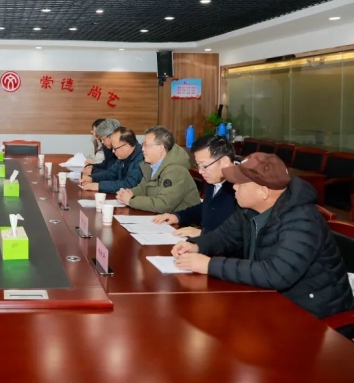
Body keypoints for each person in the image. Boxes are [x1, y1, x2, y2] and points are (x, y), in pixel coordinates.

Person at [172, 152, 354, 319]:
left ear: (263, 192)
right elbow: (225, 235)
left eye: (240, 183)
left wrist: (210, 265)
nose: (234, 187)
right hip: (272, 301)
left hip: (315, 315)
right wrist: (197, 245)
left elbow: (276, 273)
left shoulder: (302, 220)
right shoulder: (249, 208)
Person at [152, 134, 238, 237]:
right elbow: (206, 208)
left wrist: (202, 234)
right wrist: (178, 217)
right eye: (198, 166)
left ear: (224, 161)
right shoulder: (214, 179)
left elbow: (241, 234)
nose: (201, 171)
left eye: (204, 166)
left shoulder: (241, 188)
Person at [117, 126, 200, 213]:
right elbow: (143, 188)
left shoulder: (176, 170)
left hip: (181, 220)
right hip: (160, 217)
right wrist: (129, 193)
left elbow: (163, 204)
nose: (142, 149)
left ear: (160, 148)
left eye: (146, 145)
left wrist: (131, 201)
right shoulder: (151, 165)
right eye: (143, 145)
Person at [81, 126, 143, 193]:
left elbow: (129, 184)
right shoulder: (123, 156)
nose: (113, 151)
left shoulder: (141, 159)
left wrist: (99, 186)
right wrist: (91, 178)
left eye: (115, 148)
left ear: (127, 146)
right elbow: (110, 173)